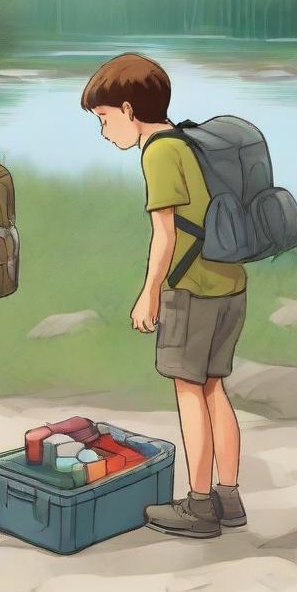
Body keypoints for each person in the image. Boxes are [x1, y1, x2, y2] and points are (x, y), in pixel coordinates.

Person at [81, 53, 248, 539]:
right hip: (230, 281)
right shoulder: (191, 141)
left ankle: (198, 505)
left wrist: (149, 294)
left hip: (191, 288)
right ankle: (228, 497)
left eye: (104, 118)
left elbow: (166, 234)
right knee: (216, 387)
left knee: (188, 392)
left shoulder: (157, 151)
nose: (105, 130)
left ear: (130, 110)